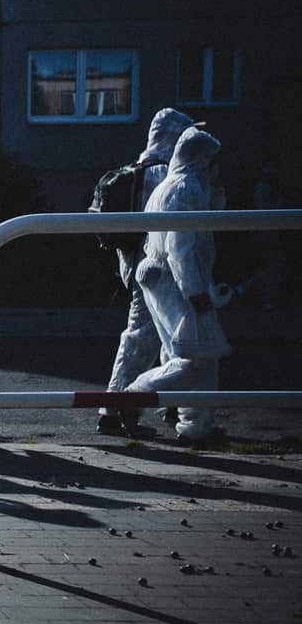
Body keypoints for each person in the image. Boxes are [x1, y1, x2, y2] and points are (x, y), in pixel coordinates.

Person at [97, 107, 201, 436]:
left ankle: (172, 405)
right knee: (143, 339)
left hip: (136, 266)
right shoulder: (164, 175)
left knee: (169, 339)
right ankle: (113, 409)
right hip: (158, 273)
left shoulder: (136, 171)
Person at [126, 127, 230, 443]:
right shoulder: (185, 189)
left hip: (165, 280)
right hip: (178, 283)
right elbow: (180, 247)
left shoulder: (172, 186)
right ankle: (133, 396)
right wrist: (196, 292)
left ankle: (196, 426)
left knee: (189, 354)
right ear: (202, 160)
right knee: (195, 358)